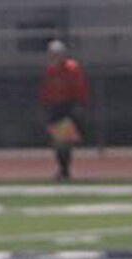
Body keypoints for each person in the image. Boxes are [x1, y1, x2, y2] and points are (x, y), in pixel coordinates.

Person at [39, 40, 89, 182]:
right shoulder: (50, 70)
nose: (54, 57)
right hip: (55, 108)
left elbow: (80, 87)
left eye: (57, 54)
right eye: (52, 54)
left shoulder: (72, 68)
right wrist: (45, 105)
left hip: (68, 106)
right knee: (58, 142)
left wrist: (80, 104)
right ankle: (63, 170)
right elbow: (46, 89)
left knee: (63, 142)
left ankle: (64, 170)